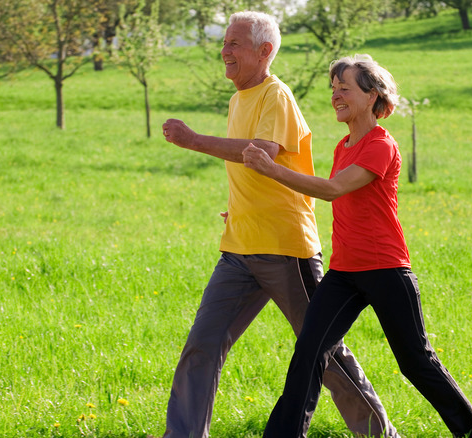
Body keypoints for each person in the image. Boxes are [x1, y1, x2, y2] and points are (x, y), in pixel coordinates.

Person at [160, 12, 398, 438]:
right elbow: (252, 171)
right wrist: (241, 208)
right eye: (225, 43)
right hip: (238, 248)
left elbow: (262, 151)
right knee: (203, 343)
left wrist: (194, 140)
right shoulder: (238, 99)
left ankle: (380, 435)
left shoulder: (277, 95)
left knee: (324, 352)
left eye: (234, 44)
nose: (224, 52)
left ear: (264, 51)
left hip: (286, 249)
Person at [242, 54, 472, 438]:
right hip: (344, 273)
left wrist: (271, 168)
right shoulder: (344, 146)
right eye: (333, 88)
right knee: (309, 353)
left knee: (415, 362)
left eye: (346, 88)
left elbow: (333, 189)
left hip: (386, 270)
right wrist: (250, 212)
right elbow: (322, 192)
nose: (336, 95)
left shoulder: (380, 145)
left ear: (373, 95)